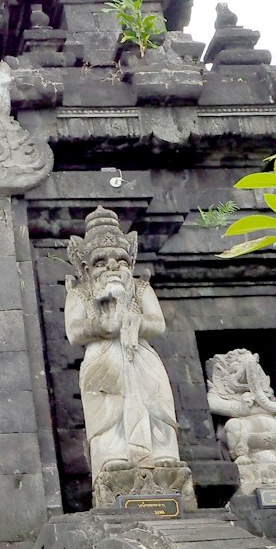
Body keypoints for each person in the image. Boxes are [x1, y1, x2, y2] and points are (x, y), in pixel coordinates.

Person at [64, 208, 181, 494]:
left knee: (155, 402)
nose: (112, 266)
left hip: (140, 354)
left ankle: (162, 455)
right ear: (86, 269)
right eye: (101, 262)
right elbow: (74, 332)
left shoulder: (140, 289)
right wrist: (102, 325)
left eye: (121, 261)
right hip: (103, 358)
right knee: (107, 410)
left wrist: (133, 321)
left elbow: (158, 324)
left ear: (131, 262)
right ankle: (112, 457)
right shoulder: (81, 293)